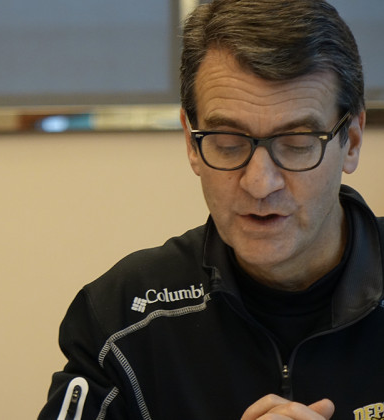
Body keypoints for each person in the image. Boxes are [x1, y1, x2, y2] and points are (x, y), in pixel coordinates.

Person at [38, 1, 380, 419]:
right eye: (228, 142)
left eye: (296, 143)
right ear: (190, 141)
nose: (259, 183)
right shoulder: (120, 318)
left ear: (354, 140)